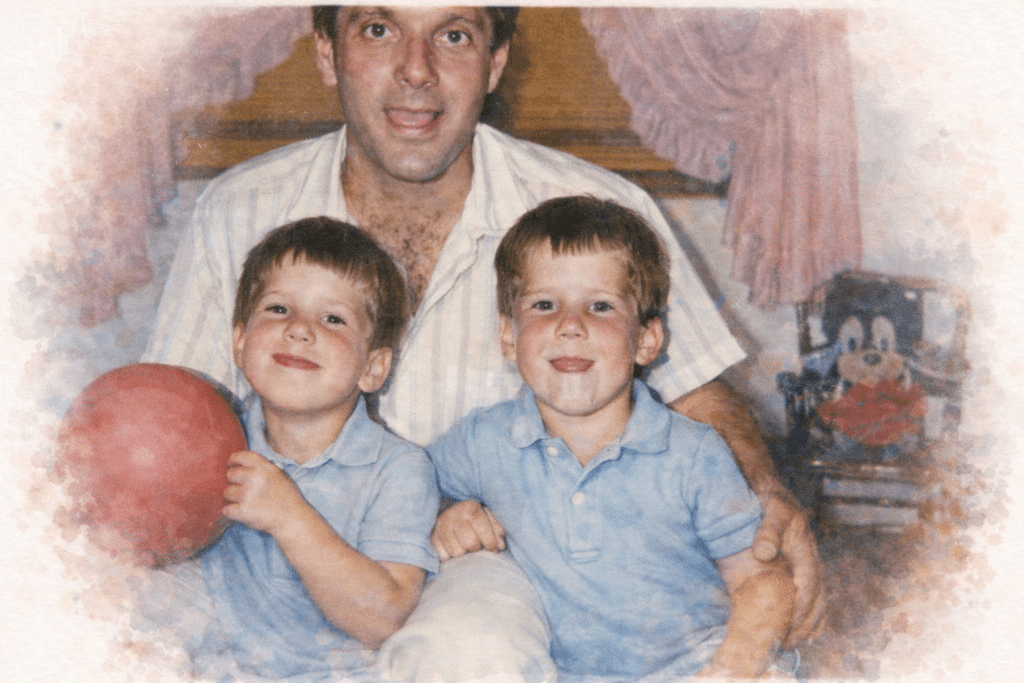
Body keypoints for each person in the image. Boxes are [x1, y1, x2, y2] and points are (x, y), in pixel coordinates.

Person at [142, 5, 823, 678]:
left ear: (494, 63)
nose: (417, 71)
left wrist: (764, 495)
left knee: (470, 651)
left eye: (454, 35)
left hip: (493, 571)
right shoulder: (237, 210)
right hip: (276, 561)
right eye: (378, 30)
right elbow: (169, 427)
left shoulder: (593, 210)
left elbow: (697, 393)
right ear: (326, 53)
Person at [425, 196, 796, 681]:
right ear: (509, 336)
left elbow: (765, 583)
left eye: (600, 306)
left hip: (703, 667)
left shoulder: (692, 453)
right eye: (544, 304)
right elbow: (404, 490)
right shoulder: (483, 440)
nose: (570, 325)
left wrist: (729, 671)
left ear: (646, 340)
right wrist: (444, 513)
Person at [136, 217, 439, 681]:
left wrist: (288, 515)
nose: (299, 329)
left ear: (373, 368)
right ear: (240, 342)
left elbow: (383, 620)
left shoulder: (399, 469)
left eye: (332, 319)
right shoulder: (212, 436)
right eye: (278, 309)